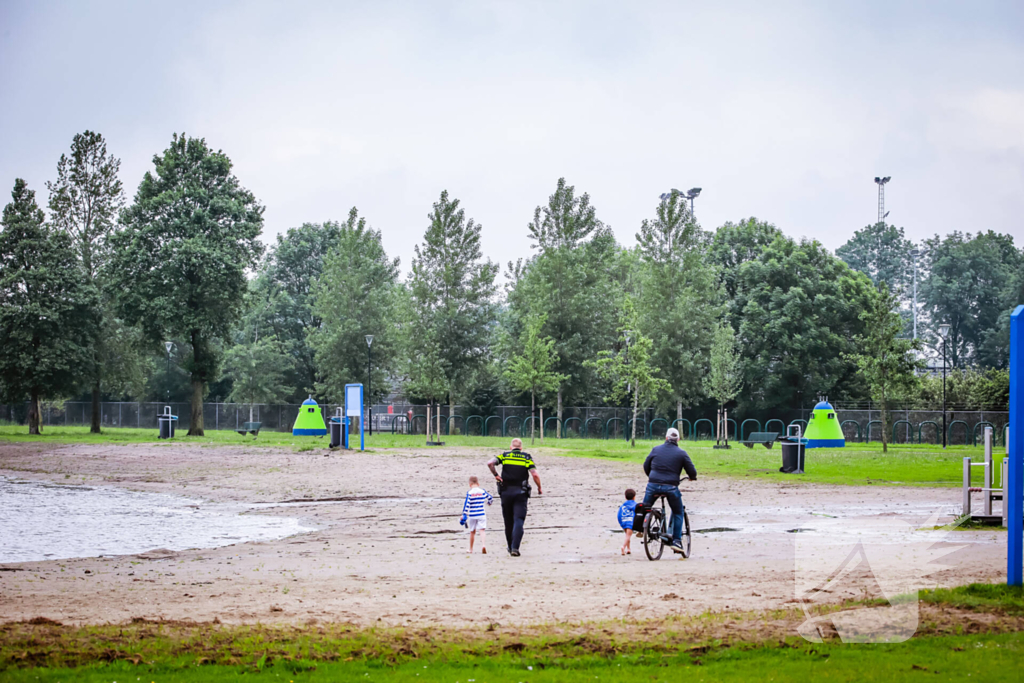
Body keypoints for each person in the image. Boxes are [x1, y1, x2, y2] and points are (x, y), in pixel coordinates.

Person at [642, 427, 696, 553]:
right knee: (678, 512)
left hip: (653, 485)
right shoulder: (681, 453)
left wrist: (652, 477)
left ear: (666, 438)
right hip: (671, 487)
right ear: (678, 439)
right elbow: (692, 471)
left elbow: (646, 465)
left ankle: (641, 529)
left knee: (645, 507)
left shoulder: (655, 449)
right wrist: (692, 477)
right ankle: (676, 541)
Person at [487, 437, 542, 557]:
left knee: (508, 521)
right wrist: (539, 488)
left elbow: (490, 463)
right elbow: (535, 474)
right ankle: (515, 548)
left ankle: (509, 545)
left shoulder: (505, 456)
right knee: (518, 520)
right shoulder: (526, 457)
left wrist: (496, 475)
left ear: (511, 447)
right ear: (521, 448)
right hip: (521, 493)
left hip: (505, 492)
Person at [459, 475, 493, 554]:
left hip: (472, 514)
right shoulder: (482, 491)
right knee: (482, 530)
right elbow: (490, 497)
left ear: (470, 485)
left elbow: (467, 504)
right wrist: (489, 503)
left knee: (472, 532)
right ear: (478, 484)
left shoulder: (470, 493)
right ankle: (483, 545)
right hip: (481, 513)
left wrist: (464, 514)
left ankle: (471, 549)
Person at [617, 488, 637, 555]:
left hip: (624, 521)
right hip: (630, 522)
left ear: (625, 497)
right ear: (634, 497)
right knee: (628, 536)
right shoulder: (635, 505)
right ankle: (623, 547)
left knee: (627, 536)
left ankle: (628, 549)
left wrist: (621, 523)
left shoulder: (622, 506)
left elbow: (619, 514)